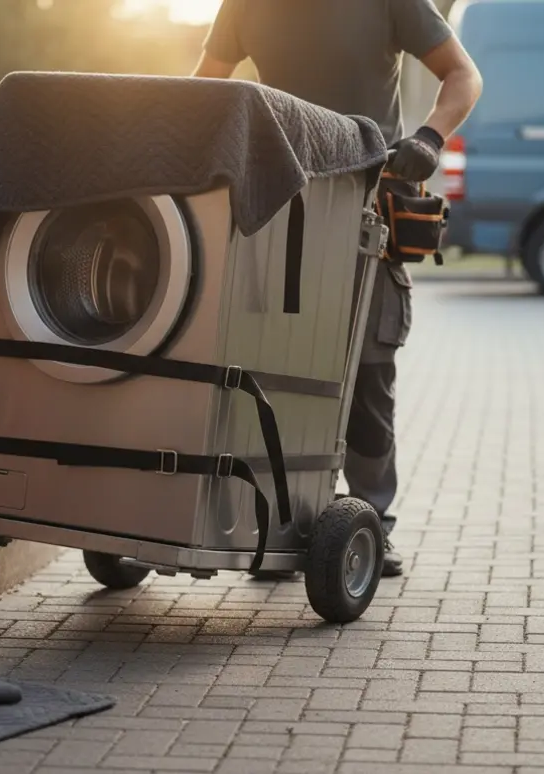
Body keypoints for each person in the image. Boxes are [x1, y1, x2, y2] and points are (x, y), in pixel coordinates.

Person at [194, 0, 483, 579]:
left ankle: (370, 523)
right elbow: (206, 89)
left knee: (370, 372)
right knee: (269, 369)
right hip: (278, 213)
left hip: (367, 211)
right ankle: (278, 524)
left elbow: (463, 74)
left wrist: (429, 138)